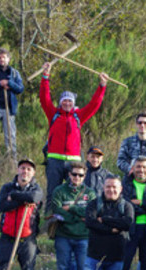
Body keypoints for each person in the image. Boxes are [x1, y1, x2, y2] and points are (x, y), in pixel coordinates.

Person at [40, 62, 107, 208]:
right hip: (54, 160)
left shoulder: (78, 116)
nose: (67, 103)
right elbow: (44, 98)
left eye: (70, 100)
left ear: (73, 103)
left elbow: (94, 105)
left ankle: (74, 220)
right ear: (60, 102)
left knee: (75, 192)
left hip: (74, 161)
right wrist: (45, 76)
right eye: (64, 100)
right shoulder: (53, 114)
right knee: (52, 191)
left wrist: (101, 86)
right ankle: (50, 222)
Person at [78, 176, 134, 270]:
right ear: (103, 187)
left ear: (120, 189)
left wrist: (104, 219)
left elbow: (127, 223)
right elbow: (90, 222)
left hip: (116, 258)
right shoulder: (94, 204)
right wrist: (112, 229)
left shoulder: (126, 206)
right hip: (94, 257)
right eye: (108, 186)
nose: (111, 190)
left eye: (114, 187)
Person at [0, 159, 43, 270]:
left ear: (33, 173)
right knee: (0, 269)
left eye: (28, 169)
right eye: (22, 168)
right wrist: (23, 200)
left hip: (28, 239)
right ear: (17, 170)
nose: (25, 171)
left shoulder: (36, 189)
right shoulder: (7, 187)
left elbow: (34, 197)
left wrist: (14, 196)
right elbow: (3, 206)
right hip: (7, 237)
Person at [50, 161, 97, 270]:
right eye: (74, 174)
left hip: (83, 237)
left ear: (84, 176)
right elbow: (57, 211)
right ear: (69, 174)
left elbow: (90, 213)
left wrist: (71, 208)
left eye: (80, 175)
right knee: (62, 268)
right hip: (63, 236)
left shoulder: (90, 193)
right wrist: (78, 217)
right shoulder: (59, 191)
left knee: (83, 269)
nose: (77, 177)